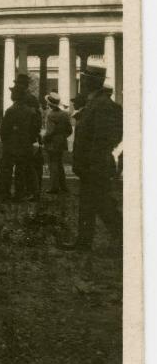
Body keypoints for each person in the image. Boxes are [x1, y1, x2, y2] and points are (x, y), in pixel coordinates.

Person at [61, 66, 123, 252]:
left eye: (85, 80)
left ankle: (125, 239)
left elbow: (104, 139)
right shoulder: (95, 103)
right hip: (91, 167)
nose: (83, 83)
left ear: (91, 83)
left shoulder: (103, 105)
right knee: (90, 205)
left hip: (96, 167)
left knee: (104, 206)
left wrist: (92, 165)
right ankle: (83, 242)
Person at [0, 84, 41, 201]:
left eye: (13, 92)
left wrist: (6, 141)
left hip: (11, 145)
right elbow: (34, 129)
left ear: (16, 96)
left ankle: (5, 194)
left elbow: (4, 129)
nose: (11, 94)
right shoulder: (30, 111)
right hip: (25, 145)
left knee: (6, 170)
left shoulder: (10, 111)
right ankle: (19, 194)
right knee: (20, 170)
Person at [43, 91, 73, 194]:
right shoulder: (65, 114)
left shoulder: (50, 115)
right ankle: (63, 185)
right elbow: (69, 130)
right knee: (60, 163)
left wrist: (44, 138)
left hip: (52, 142)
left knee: (53, 164)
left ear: (49, 104)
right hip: (62, 142)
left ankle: (54, 187)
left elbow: (50, 131)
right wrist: (62, 136)